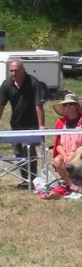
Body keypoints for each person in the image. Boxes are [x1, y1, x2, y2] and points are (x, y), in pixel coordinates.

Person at [0, 60, 46, 189]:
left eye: (16, 70)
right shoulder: (6, 84)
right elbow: (1, 106)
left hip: (31, 124)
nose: (13, 73)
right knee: (19, 153)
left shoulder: (33, 83)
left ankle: (33, 179)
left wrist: (41, 126)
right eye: (11, 71)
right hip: (16, 124)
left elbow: (39, 106)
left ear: (23, 70)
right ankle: (25, 180)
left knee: (29, 152)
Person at [51, 93, 82, 199]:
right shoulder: (60, 123)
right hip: (66, 153)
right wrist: (65, 155)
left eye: (70, 104)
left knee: (71, 160)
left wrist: (75, 154)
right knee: (57, 161)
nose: (67, 107)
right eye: (65, 105)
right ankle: (71, 185)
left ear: (77, 106)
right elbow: (58, 145)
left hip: (81, 154)